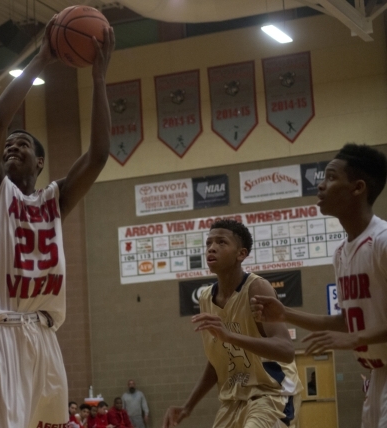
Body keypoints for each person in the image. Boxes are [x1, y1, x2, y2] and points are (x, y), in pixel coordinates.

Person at [0, 14, 114, 428]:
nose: (12, 145)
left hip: (44, 335)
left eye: (23, 144)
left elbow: (98, 155)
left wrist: (99, 77)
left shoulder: (54, 201)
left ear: (40, 161)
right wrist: (42, 59)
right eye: (8, 145)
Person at [251, 143, 387, 428]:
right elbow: (343, 320)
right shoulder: (341, 252)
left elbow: (351, 333)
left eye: (331, 177)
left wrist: (354, 339)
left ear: (358, 187)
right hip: (376, 377)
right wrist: (285, 314)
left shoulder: (383, 242)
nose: (321, 185)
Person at [163, 220, 302, 428]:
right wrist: (187, 407)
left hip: (271, 393)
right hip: (232, 402)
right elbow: (218, 360)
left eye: (221, 242)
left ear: (241, 254)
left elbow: (286, 349)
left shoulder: (256, 288)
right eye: (209, 243)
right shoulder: (206, 299)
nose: (212, 247)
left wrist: (230, 336)